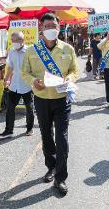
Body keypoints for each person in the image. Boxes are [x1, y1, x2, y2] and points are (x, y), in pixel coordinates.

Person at [21, 13, 79, 195]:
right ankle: (51, 167)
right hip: (41, 98)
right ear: (41, 28)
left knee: (62, 138)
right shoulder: (32, 50)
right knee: (46, 135)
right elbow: (24, 72)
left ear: (59, 28)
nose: (50, 29)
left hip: (62, 99)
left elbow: (75, 70)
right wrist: (33, 81)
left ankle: (60, 178)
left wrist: (70, 77)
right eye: (47, 26)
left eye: (54, 26)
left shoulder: (68, 49)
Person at [0, 32, 34, 138]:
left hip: (27, 85)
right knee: (10, 108)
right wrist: (6, 79)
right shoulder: (11, 52)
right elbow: (10, 67)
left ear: (22, 41)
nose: (13, 43)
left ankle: (29, 128)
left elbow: (34, 68)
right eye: (12, 40)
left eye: (15, 40)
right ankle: (9, 130)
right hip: (14, 85)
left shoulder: (29, 51)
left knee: (29, 108)